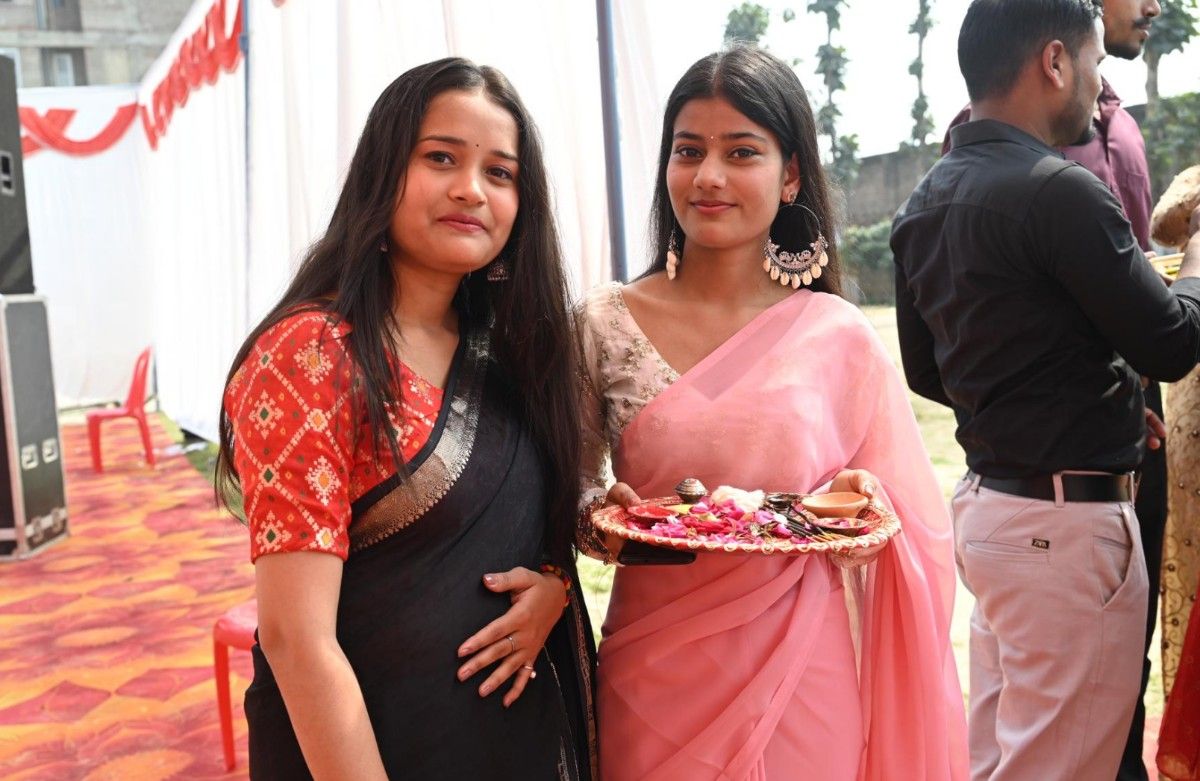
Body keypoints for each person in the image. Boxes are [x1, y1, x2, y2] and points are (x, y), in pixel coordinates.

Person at [575, 45, 967, 780]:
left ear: (790, 176)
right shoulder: (603, 322)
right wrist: (597, 513)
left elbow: (909, 527)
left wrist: (859, 506)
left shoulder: (837, 334)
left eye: (741, 152)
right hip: (655, 672)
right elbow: (560, 483)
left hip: (804, 675)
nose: (709, 175)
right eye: (688, 150)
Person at [216, 57, 596, 780]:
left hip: (511, 743)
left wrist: (553, 585)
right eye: (441, 158)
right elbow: (297, 640)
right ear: (382, 171)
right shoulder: (311, 354)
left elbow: (537, 516)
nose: (471, 189)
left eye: (500, 172)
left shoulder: (510, 354)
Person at [891, 1, 1200, 778]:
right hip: (1063, 533)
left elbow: (929, 371)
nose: (1098, 90)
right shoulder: (1063, 191)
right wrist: (1198, 257)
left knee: (1006, 759)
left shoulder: (922, 202)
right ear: (1054, 62)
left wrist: (1092, 402)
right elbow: (1171, 341)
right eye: (1094, 66)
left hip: (993, 514)